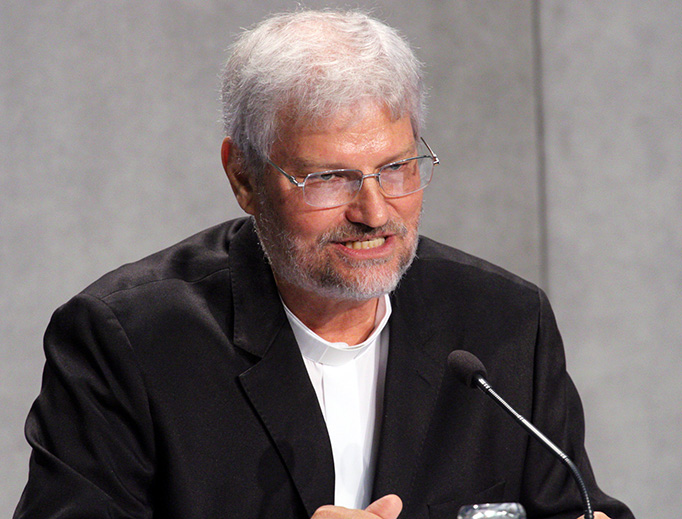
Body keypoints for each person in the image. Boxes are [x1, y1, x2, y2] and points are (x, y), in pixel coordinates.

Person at [14, 10, 634, 519]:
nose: (373, 211)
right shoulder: (128, 343)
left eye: (396, 168)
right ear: (244, 178)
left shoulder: (502, 325)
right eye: (329, 177)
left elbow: (573, 506)